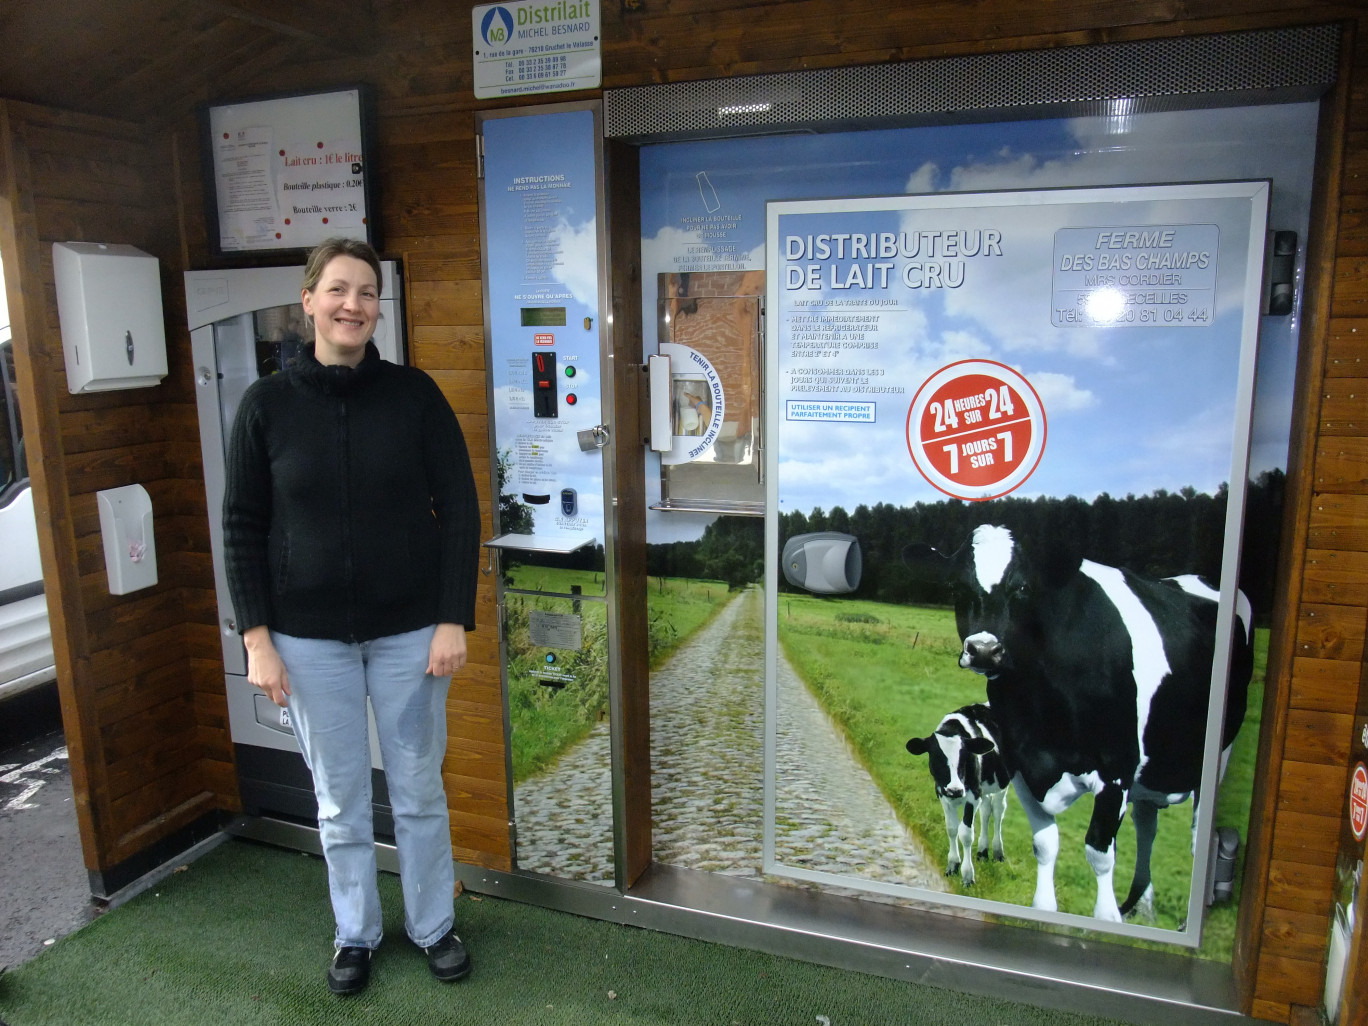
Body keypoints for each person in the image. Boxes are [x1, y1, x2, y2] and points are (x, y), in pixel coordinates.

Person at [222, 237, 481, 996]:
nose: (352, 305)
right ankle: (356, 934)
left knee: (417, 790)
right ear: (308, 302)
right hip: (306, 646)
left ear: (378, 308)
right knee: (338, 800)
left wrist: (450, 619)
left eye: (366, 293)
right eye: (338, 290)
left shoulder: (415, 396)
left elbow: (460, 510)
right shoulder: (265, 406)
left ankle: (433, 925)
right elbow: (241, 525)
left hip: (410, 635)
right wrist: (257, 640)